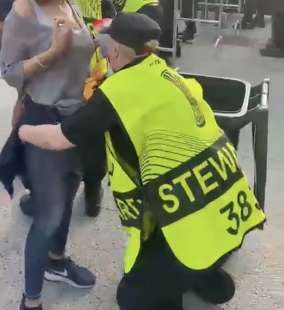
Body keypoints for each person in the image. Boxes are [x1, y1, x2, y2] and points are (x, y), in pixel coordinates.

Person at [19, 12, 266, 310]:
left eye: (108, 45)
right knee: (180, 256)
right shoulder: (167, 73)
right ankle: (203, 273)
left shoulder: (117, 93)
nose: (105, 50)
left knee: (131, 297)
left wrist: (22, 128)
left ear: (118, 51)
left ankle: (182, 278)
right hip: (225, 213)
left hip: (186, 218)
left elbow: (57, 139)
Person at [0, 0, 96, 309]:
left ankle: (56, 261)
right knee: (49, 213)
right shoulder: (23, 14)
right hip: (44, 117)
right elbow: (10, 70)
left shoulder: (70, 2)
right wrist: (53, 53)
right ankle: (31, 300)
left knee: (70, 189)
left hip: (77, 117)